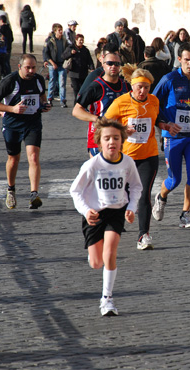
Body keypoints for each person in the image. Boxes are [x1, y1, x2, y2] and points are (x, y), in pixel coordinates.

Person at [69, 117, 142, 316]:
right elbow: (75, 191)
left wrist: (132, 208)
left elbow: (136, 186)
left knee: (110, 251)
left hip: (116, 212)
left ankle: (107, 299)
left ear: (122, 140)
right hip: (94, 214)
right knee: (96, 263)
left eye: (116, 138)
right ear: (99, 142)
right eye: (107, 138)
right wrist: (86, 211)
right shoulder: (92, 165)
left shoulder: (128, 162)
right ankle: (95, 256)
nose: (112, 142)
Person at [105, 66, 181, 250]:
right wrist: (122, 130)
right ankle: (110, 228)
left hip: (148, 155)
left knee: (144, 194)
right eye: (139, 87)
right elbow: (104, 123)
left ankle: (143, 235)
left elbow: (157, 120)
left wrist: (167, 126)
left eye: (146, 87)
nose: (143, 91)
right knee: (119, 194)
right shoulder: (120, 102)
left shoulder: (153, 101)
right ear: (132, 87)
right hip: (124, 157)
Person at [151, 42, 190, 228]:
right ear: (179, 59)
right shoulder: (169, 79)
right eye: (187, 60)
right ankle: (161, 197)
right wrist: (165, 124)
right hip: (173, 138)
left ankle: (186, 213)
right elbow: (153, 102)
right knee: (174, 179)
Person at [0, 54, 52, 209]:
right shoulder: (10, 81)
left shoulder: (38, 79)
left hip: (33, 123)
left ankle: (34, 194)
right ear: (19, 67)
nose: (31, 70)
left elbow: (42, 96)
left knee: (34, 157)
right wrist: (12, 109)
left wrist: (45, 105)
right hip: (13, 125)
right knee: (13, 159)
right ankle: (11, 189)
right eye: (27, 67)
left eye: (33, 67)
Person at [74, 46, 128, 157]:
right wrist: (97, 119)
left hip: (119, 135)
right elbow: (76, 110)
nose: (113, 66)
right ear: (103, 65)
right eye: (110, 63)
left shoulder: (126, 86)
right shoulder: (96, 86)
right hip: (98, 136)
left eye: (117, 64)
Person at [43, 23, 71, 107]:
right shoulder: (50, 40)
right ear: (55, 31)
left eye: (61, 30)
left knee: (62, 82)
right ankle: (50, 98)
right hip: (53, 64)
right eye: (59, 30)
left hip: (62, 64)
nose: (61, 32)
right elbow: (46, 53)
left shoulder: (64, 40)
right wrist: (51, 62)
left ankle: (63, 100)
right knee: (52, 81)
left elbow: (68, 50)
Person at [62, 33, 95, 102]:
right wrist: (71, 53)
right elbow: (63, 56)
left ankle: (81, 103)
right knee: (76, 89)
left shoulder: (85, 50)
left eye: (82, 40)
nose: (81, 42)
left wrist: (92, 69)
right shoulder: (71, 48)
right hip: (74, 73)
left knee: (83, 89)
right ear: (76, 40)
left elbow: (90, 60)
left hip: (83, 73)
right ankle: (76, 104)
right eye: (80, 40)